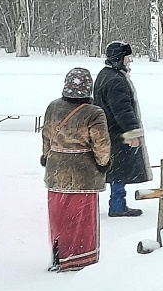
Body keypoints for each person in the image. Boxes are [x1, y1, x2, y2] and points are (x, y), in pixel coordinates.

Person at [40, 67, 111, 272]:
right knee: (81, 219)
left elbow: (46, 137)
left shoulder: (53, 107)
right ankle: (79, 257)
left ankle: (59, 254)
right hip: (83, 174)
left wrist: (46, 157)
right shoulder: (94, 112)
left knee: (59, 217)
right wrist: (103, 163)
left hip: (56, 172)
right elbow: (101, 144)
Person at [93, 42, 149, 216]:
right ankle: (117, 205)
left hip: (108, 129)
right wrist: (132, 133)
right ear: (119, 59)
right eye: (127, 58)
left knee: (115, 169)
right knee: (118, 170)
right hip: (117, 133)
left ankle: (117, 203)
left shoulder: (106, 75)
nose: (129, 61)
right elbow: (123, 110)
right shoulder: (116, 80)